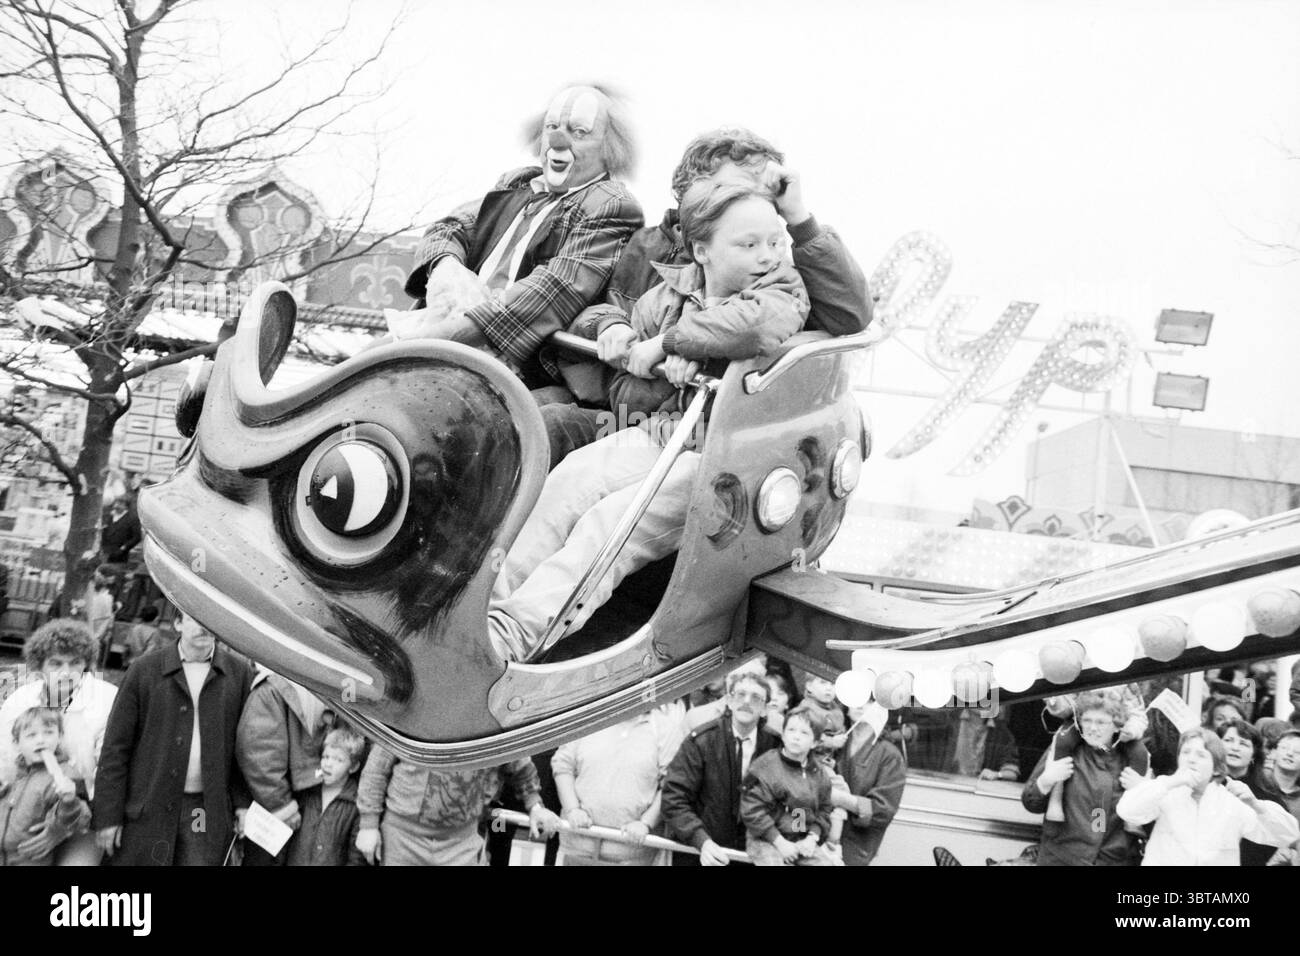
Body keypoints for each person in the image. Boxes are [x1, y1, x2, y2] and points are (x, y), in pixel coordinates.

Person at [487, 179, 808, 662]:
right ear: (702, 250)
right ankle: (487, 606)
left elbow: (756, 326)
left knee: (610, 522)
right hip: (662, 431)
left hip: (723, 460)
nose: (767, 254)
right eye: (748, 244)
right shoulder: (664, 297)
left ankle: (518, 633)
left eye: (774, 241)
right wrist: (665, 377)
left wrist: (675, 342)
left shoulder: (782, 288)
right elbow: (624, 387)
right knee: (570, 482)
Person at [540, 126, 872, 464]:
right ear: (690, 192)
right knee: (532, 413)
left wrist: (799, 220)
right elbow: (592, 308)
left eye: (762, 197)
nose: (748, 205)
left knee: (556, 429)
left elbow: (850, 313)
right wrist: (608, 324)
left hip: (693, 431)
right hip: (631, 410)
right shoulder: (646, 245)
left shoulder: (769, 271)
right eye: (733, 191)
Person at [397, 84, 642, 394]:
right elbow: (449, 228)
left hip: (511, 366)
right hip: (441, 334)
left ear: (609, 147)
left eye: (579, 132)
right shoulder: (519, 182)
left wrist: (431, 343)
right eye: (552, 127)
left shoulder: (609, 204)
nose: (557, 140)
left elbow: (550, 292)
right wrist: (446, 267)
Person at [92, 612, 253, 866]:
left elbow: (243, 749)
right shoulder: (144, 670)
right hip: (148, 805)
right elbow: (115, 747)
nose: (204, 626)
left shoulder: (239, 674)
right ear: (177, 623)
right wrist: (108, 816)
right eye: (194, 618)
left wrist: (242, 803)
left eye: (209, 617)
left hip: (203, 809)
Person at [0, 618, 116, 865]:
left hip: (84, 814)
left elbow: (109, 771)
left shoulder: (107, 701)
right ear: (39, 667)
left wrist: (60, 827)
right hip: (24, 809)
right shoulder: (20, 701)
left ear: (86, 664)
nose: (66, 672)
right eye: (56, 663)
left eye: (75, 663)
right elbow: (5, 759)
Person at [1117, 728, 1298, 865]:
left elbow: (1287, 835)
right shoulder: (1165, 789)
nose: (1191, 759)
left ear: (1217, 767)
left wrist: (1256, 804)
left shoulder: (1232, 801)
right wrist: (1169, 782)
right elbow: (1127, 811)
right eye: (1185, 752)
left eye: (1201, 755)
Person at [354, 749, 559, 866]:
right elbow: (376, 770)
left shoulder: (495, 719)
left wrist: (535, 806)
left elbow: (521, 765)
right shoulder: (411, 708)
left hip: (461, 843)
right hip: (402, 838)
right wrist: (368, 825)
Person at [662, 671, 781, 866]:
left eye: (756, 697)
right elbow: (673, 798)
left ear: (765, 709)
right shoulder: (702, 741)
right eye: (740, 694)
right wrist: (701, 840)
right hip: (700, 854)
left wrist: (799, 835)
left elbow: (801, 799)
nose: (746, 702)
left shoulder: (776, 747)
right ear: (729, 700)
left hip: (753, 858)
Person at [551, 704, 686, 865]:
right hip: (577, 847)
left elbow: (671, 784)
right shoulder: (588, 719)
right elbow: (562, 766)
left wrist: (645, 823)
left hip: (633, 854)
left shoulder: (665, 728)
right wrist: (572, 809)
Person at [1021, 691, 1142, 866]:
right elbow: (1030, 803)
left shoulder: (1131, 761)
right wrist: (1046, 780)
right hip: (1061, 859)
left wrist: (1144, 791)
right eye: (1087, 720)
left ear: (1117, 726)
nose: (1093, 728)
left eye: (1101, 722)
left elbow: (1150, 823)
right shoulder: (1065, 752)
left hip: (1111, 861)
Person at [235, 664, 334, 865]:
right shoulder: (271, 689)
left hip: (299, 792)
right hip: (275, 802)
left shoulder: (314, 682)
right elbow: (259, 753)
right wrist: (281, 805)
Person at [740, 704, 837, 866]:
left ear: (815, 742)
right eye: (791, 730)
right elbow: (752, 810)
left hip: (801, 839)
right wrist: (779, 842)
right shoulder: (764, 767)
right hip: (766, 839)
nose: (796, 737)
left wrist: (812, 838)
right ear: (783, 735)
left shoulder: (819, 774)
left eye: (804, 733)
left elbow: (825, 811)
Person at [1041, 684, 1148, 822]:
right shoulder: (1084, 672)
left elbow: (1138, 715)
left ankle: (1133, 810)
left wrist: (1131, 730)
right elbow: (1067, 706)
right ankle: (1055, 799)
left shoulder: (1129, 684)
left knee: (1140, 752)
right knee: (1063, 739)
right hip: (1081, 722)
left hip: (1117, 728)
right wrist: (1054, 701)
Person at [0, 707, 91, 866]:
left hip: (31, 859)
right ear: (16, 744)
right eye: (31, 735)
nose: (41, 740)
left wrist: (69, 801)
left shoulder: (65, 774)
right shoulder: (17, 776)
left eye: (49, 732)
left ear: (60, 737)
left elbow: (78, 817)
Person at [835, 702, 906, 866]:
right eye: (855, 698)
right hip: (815, 834)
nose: (859, 705)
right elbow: (799, 793)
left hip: (855, 843)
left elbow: (883, 810)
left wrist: (839, 798)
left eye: (868, 701)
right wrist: (797, 832)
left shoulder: (890, 755)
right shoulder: (833, 743)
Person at [286, 727, 367, 866]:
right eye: (326, 756)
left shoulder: (356, 803)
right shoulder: (307, 790)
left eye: (338, 760)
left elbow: (356, 857)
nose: (328, 764)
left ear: (353, 767)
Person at [1217, 718, 1287, 866]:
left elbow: (1281, 835)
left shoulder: (1267, 795)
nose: (1235, 748)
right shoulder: (1204, 786)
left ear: (1254, 755)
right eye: (1228, 740)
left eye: (1243, 743)